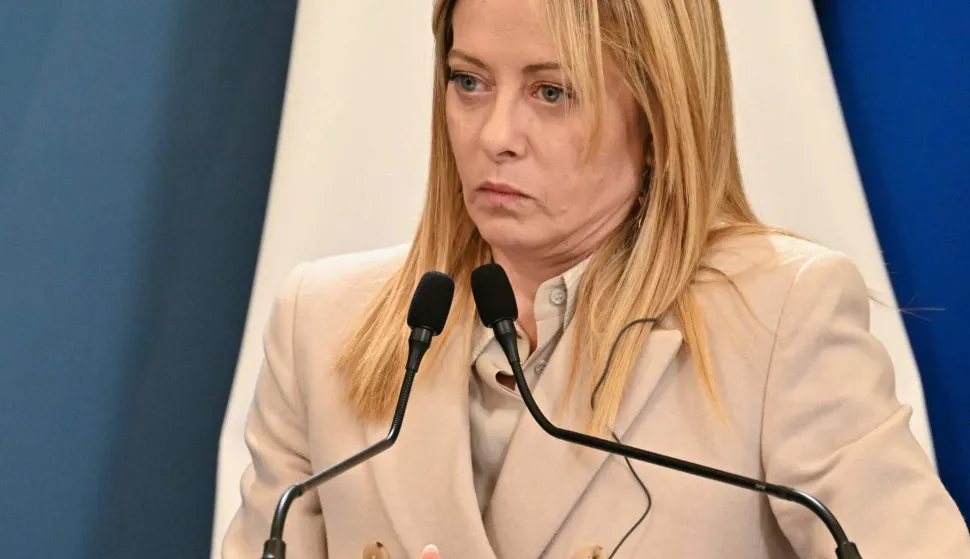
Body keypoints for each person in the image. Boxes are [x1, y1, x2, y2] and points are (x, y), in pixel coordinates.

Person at [222, 0, 970, 557]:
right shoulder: (321, 324)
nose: (495, 136)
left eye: (553, 92)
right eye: (469, 81)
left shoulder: (779, 318)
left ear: (659, 113)